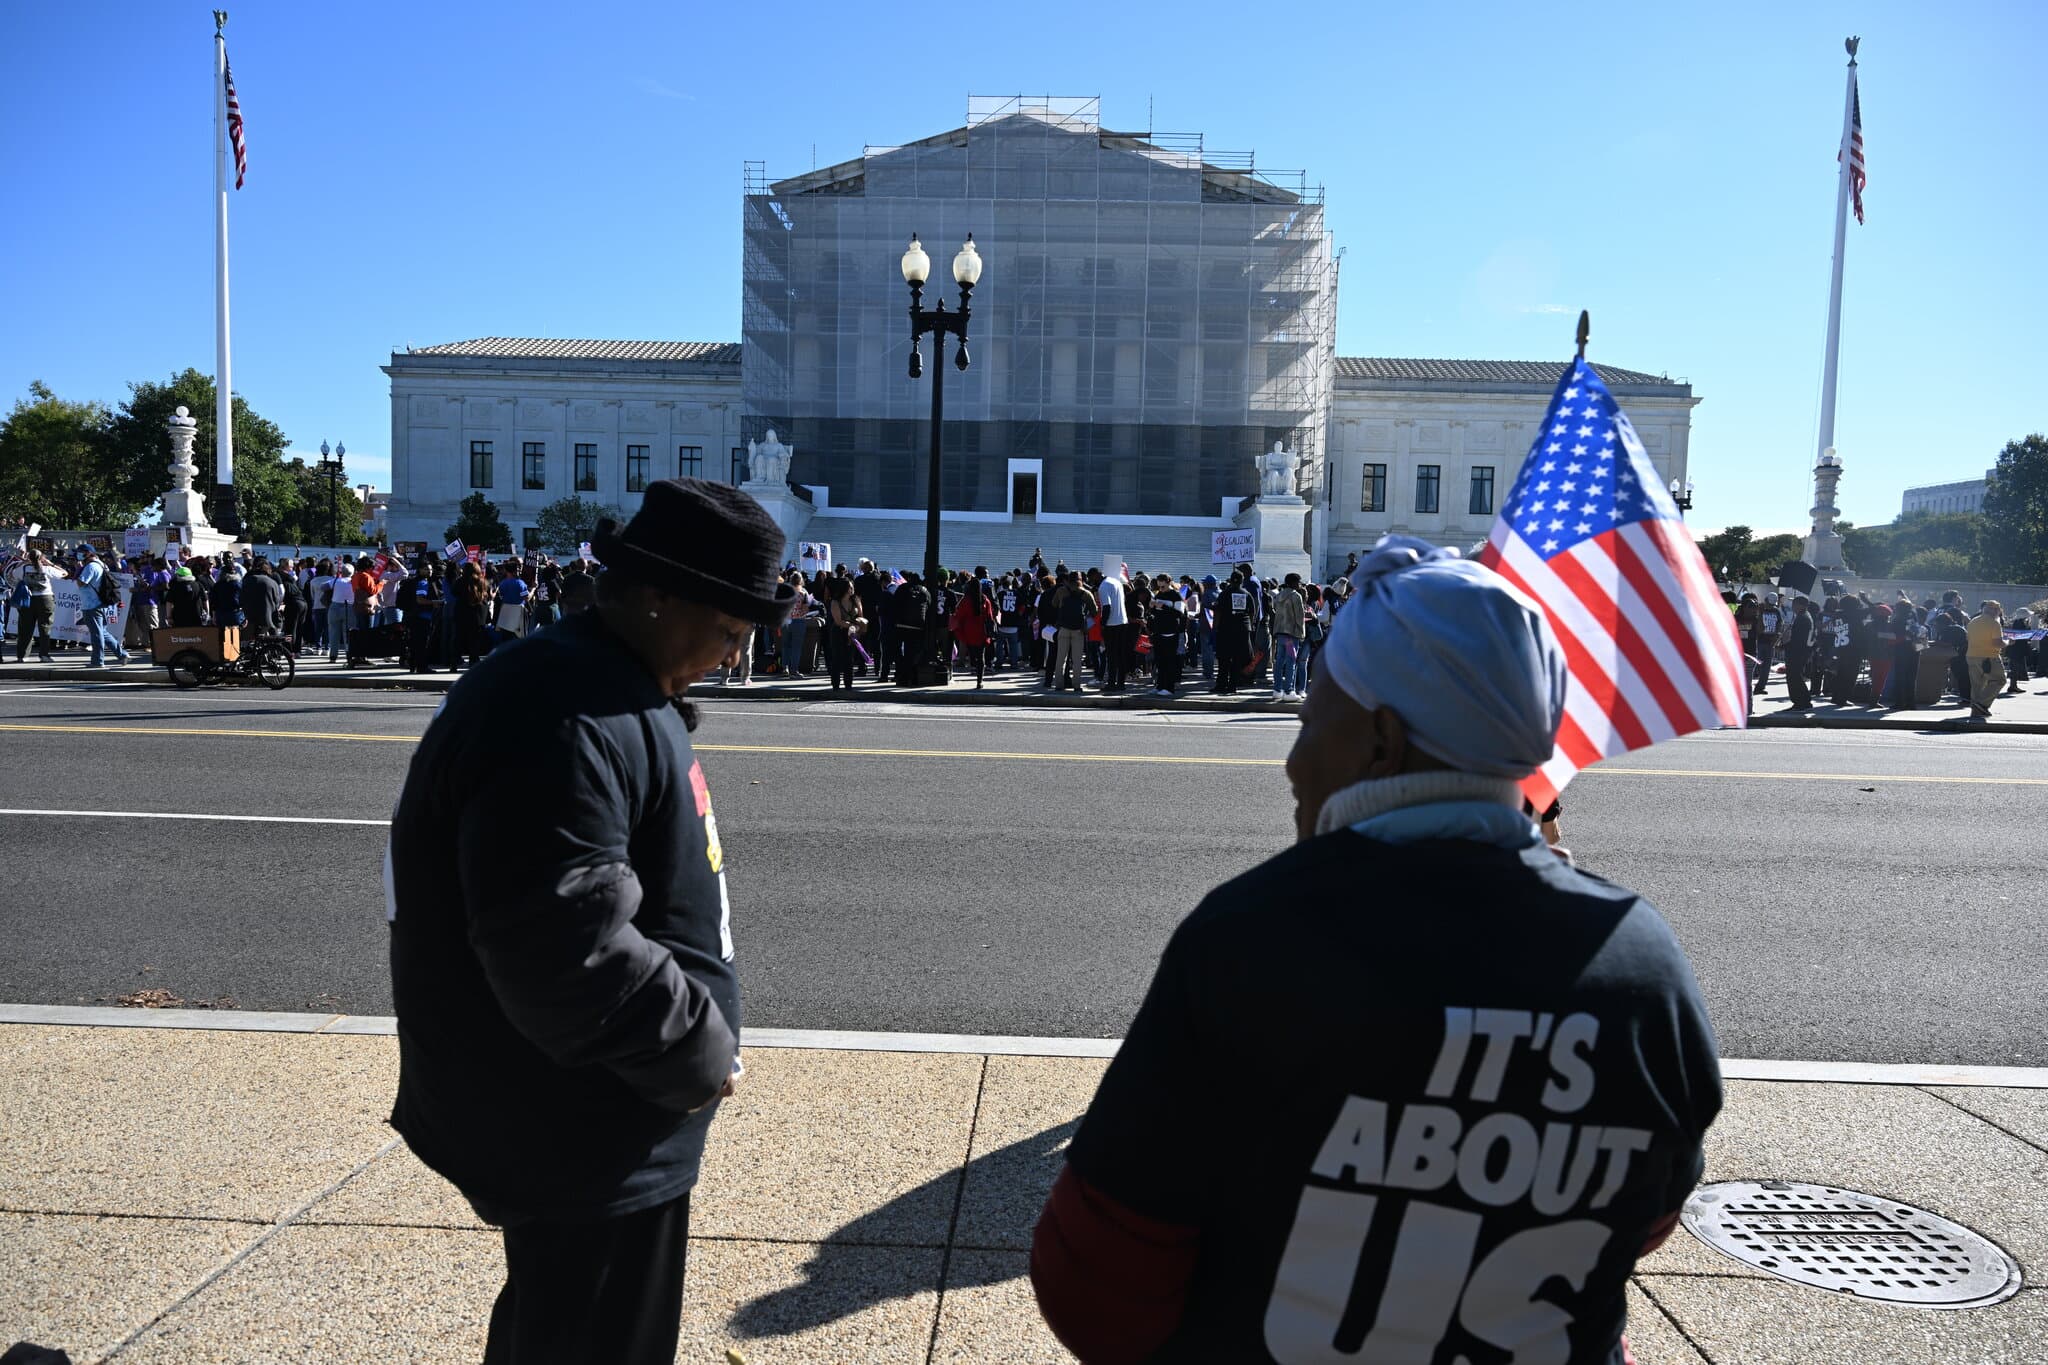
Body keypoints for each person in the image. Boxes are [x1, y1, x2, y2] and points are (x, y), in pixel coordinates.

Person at [1031, 536, 1722, 1365]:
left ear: (1382, 742)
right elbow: (1646, 1220)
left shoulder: (1249, 940)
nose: (1292, 761)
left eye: (1312, 716)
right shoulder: (1645, 966)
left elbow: (1096, 1283)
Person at [387, 479, 787, 1365]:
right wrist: (697, 1048)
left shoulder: (600, 686)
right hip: (584, 1130)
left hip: (593, 1118)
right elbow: (564, 944)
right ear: (656, 594)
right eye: (728, 630)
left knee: (558, 1327)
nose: (736, 652)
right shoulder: (565, 714)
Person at [75, 546, 134, 668]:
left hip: (92, 605)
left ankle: (98, 661)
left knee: (97, 634)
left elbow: (81, 583)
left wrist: (79, 569)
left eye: (80, 553)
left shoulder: (90, 566)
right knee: (103, 632)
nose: (78, 555)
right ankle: (122, 654)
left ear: (88, 554)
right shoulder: (100, 564)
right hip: (99, 603)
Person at [8, 549, 61, 663]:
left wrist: (23, 562)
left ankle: (22, 656)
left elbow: (12, 574)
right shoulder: (47, 569)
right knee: (45, 627)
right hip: (45, 599)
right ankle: (44, 655)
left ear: (29, 558)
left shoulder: (23, 569)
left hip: (28, 599)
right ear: (41, 557)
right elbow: (64, 573)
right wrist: (50, 563)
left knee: (25, 628)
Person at [949, 577, 997, 689]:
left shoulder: (966, 600)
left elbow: (959, 615)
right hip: (981, 631)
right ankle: (979, 680)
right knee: (981, 656)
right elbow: (990, 617)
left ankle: (973, 667)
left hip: (968, 631)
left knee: (972, 653)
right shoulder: (985, 600)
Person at [822, 575, 864, 695]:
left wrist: (857, 626)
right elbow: (838, 621)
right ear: (845, 589)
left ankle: (848, 684)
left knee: (849, 659)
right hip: (838, 632)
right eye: (850, 587)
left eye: (852, 587)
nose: (852, 590)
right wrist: (851, 625)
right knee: (837, 658)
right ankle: (835, 684)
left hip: (852, 632)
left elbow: (861, 616)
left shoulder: (856, 600)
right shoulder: (835, 602)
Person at [1966, 600, 2007, 723]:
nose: (1998, 614)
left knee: (1977, 684)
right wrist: (2008, 642)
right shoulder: (1994, 624)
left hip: (1972, 655)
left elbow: (1968, 638)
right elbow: (1997, 643)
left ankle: (1976, 710)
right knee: (1999, 680)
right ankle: (1982, 705)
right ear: (1995, 610)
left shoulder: (1973, 621)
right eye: (1998, 611)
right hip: (1989, 657)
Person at [1271, 572, 1308, 698]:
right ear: (1293, 583)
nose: (1299, 584)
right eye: (1298, 582)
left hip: (1280, 632)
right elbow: (1300, 616)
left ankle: (1277, 690)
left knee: (1279, 662)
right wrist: (1302, 633)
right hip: (1291, 635)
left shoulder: (1279, 595)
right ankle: (1288, 691)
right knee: (1291, 662)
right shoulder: (1295, 596)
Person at [1783, 595, 1819, 711]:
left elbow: (1798, 639)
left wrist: (1784, 646)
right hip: (1802, 651)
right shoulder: (1804, 616)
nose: (1793, 606)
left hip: (1798, 652)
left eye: (1795, 604)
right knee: (1796, 676)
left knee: (1794, 677)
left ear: (1801, 605)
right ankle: (1803, 701)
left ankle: (1800, 701)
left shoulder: (1803, 618)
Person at [240, 558, 284, 637]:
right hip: (268, 615)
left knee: (251, 636)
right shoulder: (272, 582)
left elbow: (242, 597)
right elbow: (277, 599)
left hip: (250, 616)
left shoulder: (247, 580)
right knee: (272, 633)